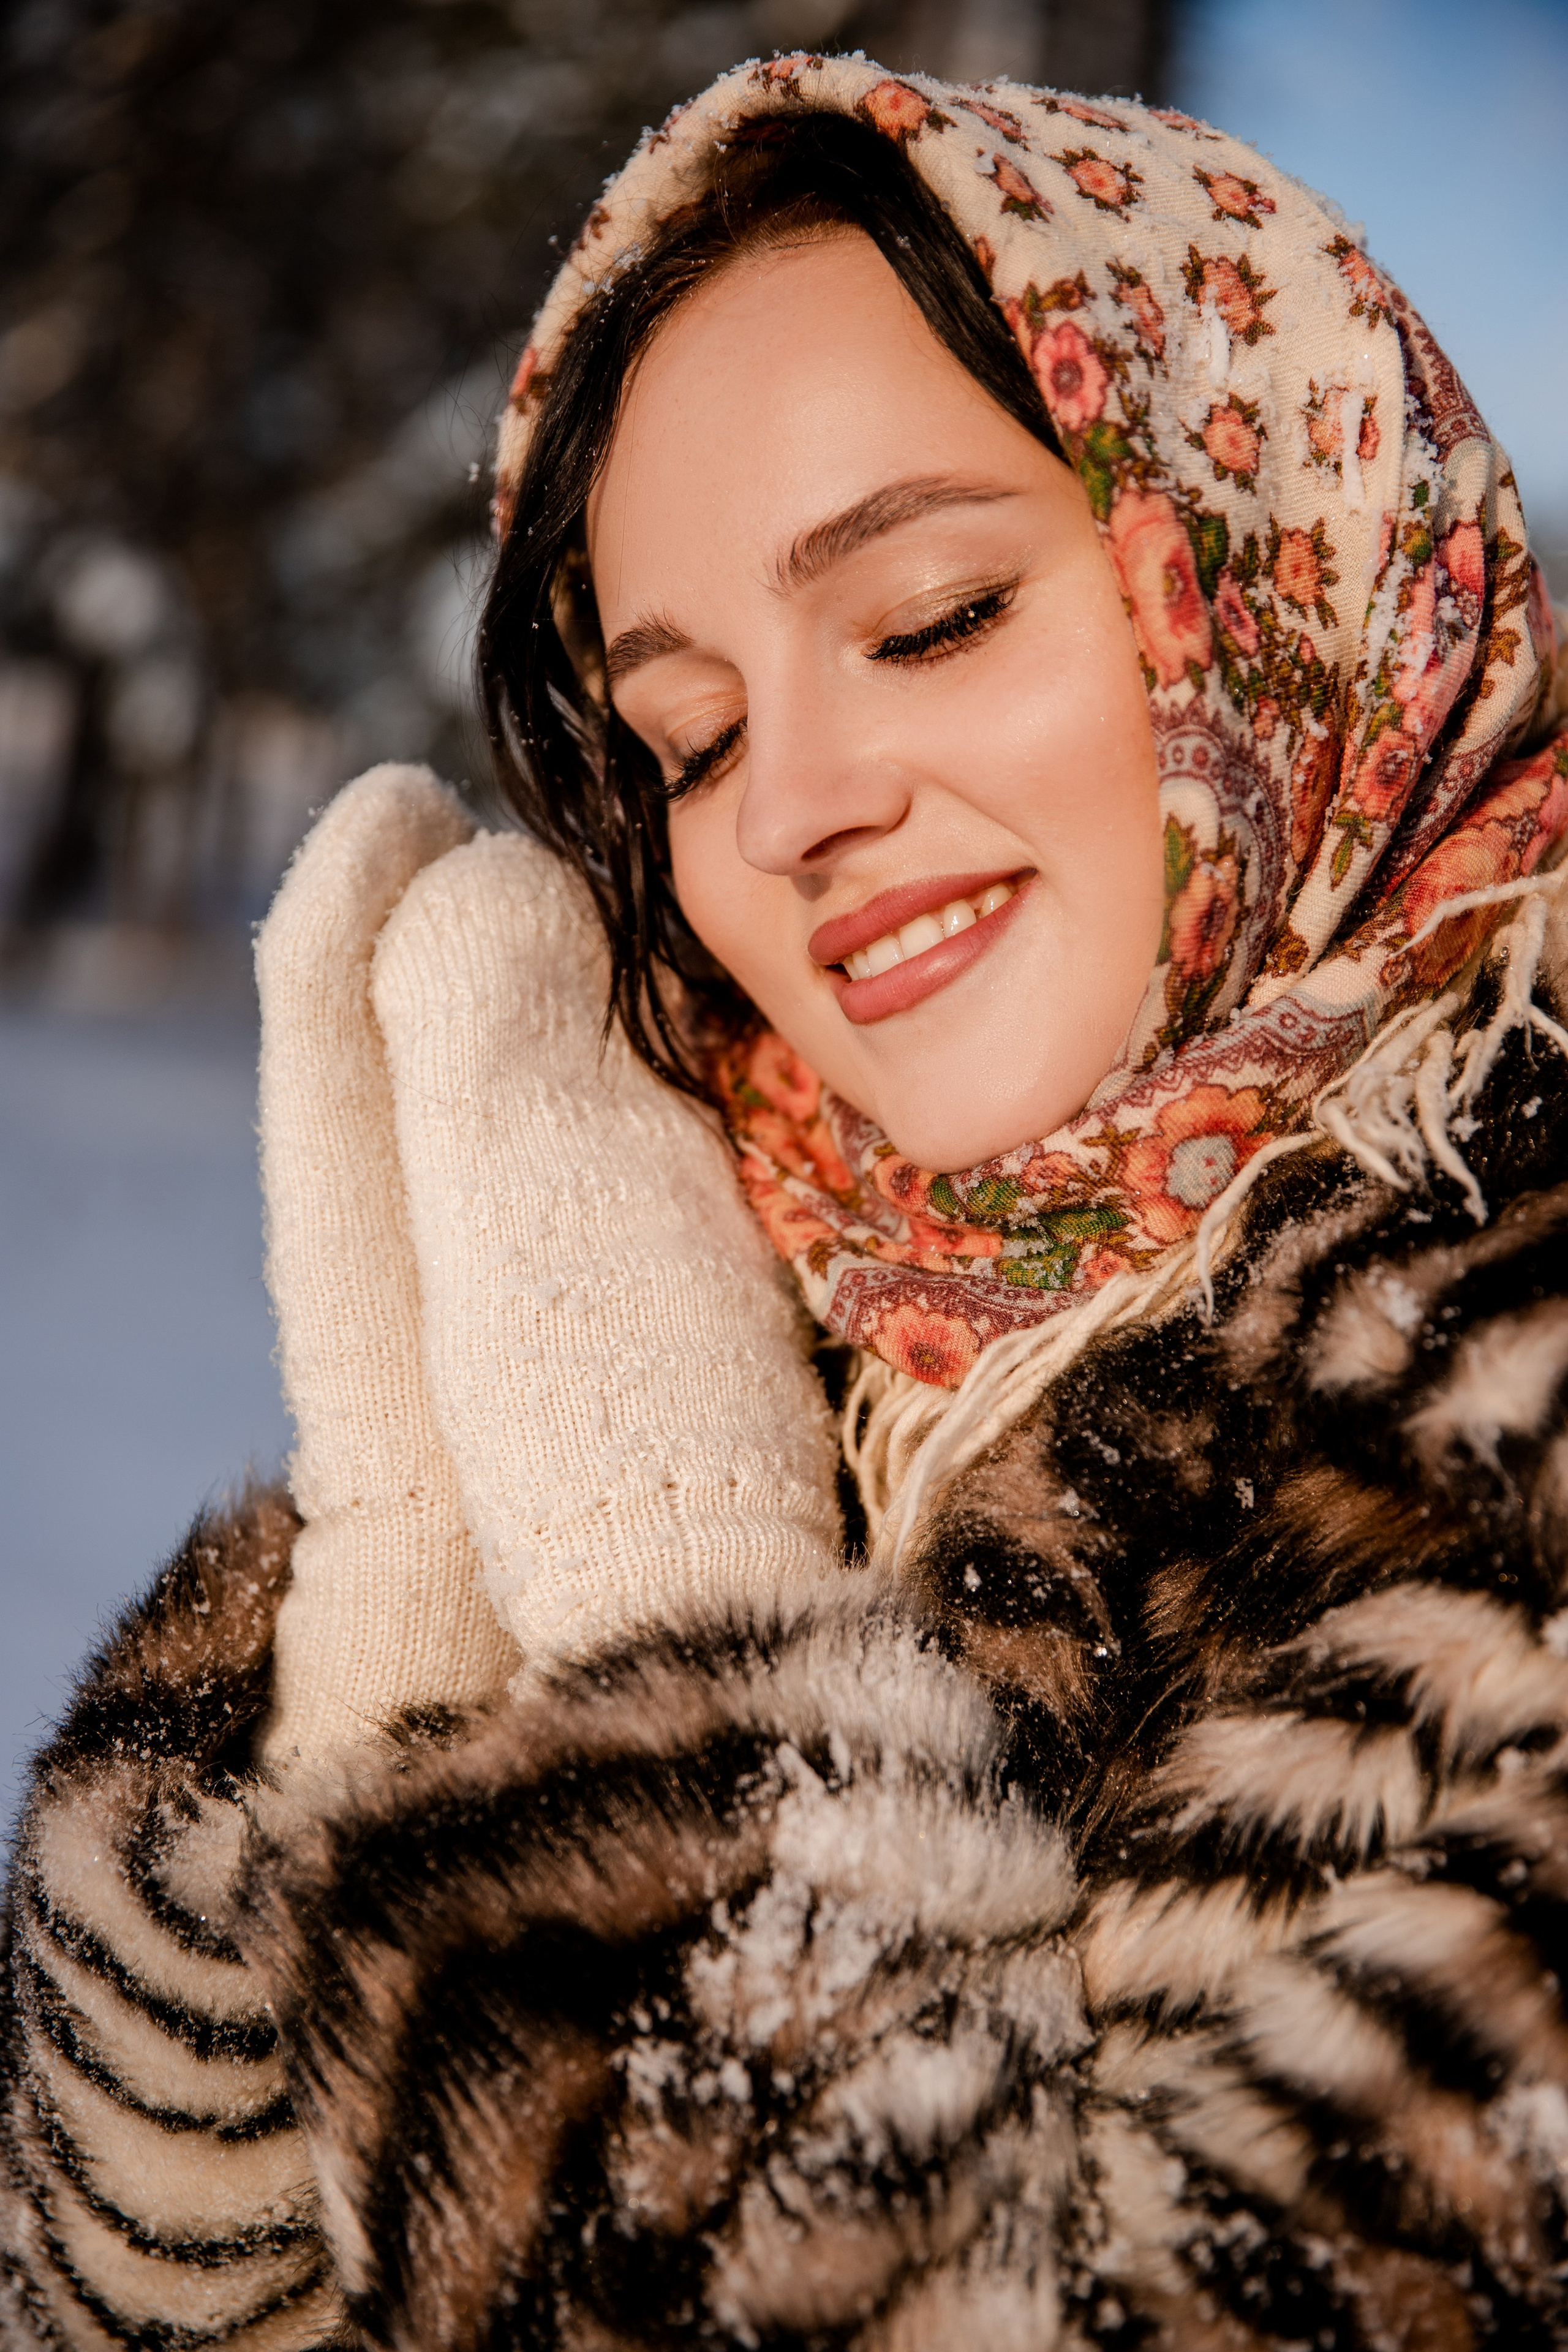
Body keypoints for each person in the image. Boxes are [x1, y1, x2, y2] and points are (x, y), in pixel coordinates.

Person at [6, 50, 1568, 2352]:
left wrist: (684, 1661)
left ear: (1287, 562)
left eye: (931, 615)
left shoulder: (1496, 1442)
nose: (792, 811)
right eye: (691, 738)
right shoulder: (790, 1344)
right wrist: (395, 1635)